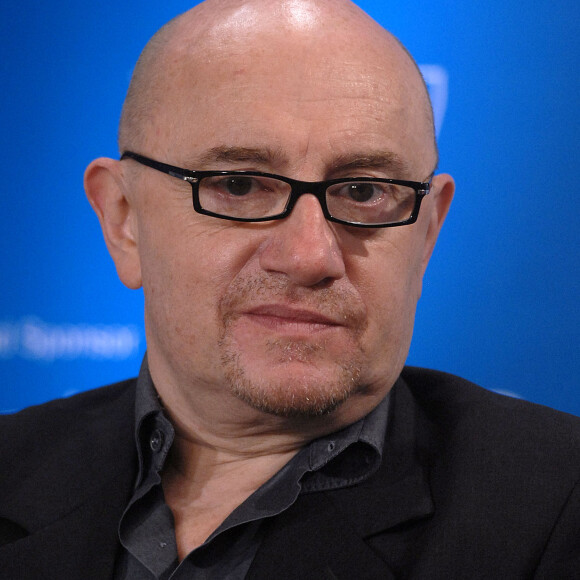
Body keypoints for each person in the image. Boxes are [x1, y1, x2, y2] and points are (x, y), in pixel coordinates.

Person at [1, 0, 579, 578]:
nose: (309, 256)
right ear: (123, 220)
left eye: (363, 193)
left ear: (426, 233)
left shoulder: (558, 505)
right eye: (239, 184)